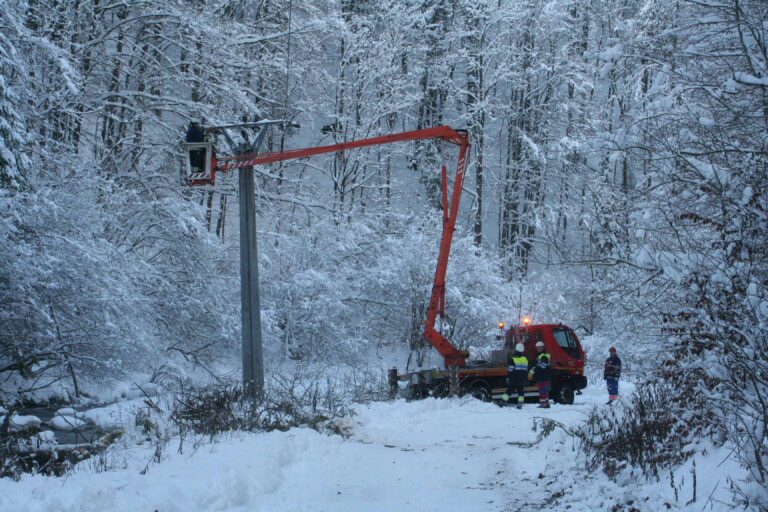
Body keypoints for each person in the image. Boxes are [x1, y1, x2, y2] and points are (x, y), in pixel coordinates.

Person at [503, 343, 529, 409]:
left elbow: (510, 369)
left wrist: (508, 377)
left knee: (509, 390)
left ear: (516, 350)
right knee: (520, 391)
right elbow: (526, 370)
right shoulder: (525, 359)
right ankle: (520, 404)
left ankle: (503, 401)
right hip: (522, 378)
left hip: (514, 378)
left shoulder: (513, 359)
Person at [531, 341, 551, 408]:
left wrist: (535, 369)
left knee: (542, 390)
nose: (537, 349)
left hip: (543, 376)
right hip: (543, 376)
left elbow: (542, 366)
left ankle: (543, 404)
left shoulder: (544, 356)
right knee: (544, 390)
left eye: (539, 347)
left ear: (542, 347)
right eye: (537, 348)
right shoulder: (541, 355)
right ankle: (546, 403)